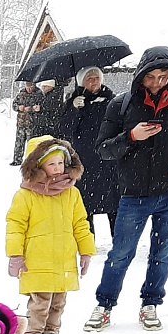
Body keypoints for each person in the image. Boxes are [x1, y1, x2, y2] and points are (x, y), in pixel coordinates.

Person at [83, 46, 168, 333]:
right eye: (150, 77)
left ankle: (150, 303)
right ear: (140, 75)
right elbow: (103, 150)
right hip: (133, 194)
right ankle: (104, 304)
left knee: (162, 253)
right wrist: (131, 135)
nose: (156, 83)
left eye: (162, 77)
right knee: (120, 253)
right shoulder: (121, 105)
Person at [7, 137, 94, 334]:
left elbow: (80, 223)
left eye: (60, 163)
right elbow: (15, 225)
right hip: (37, 260)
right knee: (40, 303)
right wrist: (15, 255)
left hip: (63, 259)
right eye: (51, 164)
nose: (57, 169)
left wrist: (86, 251)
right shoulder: (26, 195)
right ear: (38, 166)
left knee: (58, 302)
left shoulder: (71, 193)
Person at [56, 67, 118, 239]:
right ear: (81, 82)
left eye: (96, 77)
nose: (94, 81)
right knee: (85, 204)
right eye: (89, 78)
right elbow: (64, 129)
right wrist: (75, 110)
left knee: (113, 202)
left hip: (107, 158)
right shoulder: (74, 101)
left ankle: (119, 239)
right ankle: (87, 239)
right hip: (84, 158)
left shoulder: (111, 100)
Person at [11, 80, 44, 165]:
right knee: (19, 142)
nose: (29, 89)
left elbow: (41, 108)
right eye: (27, 87)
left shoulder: (39, 94)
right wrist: (19, 107)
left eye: (31, 87)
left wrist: (31, 109)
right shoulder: (21, 94)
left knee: (31, 143)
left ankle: (31, 162)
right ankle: (17, 160)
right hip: (21, 123)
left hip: (32, 123)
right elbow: (14, 105)